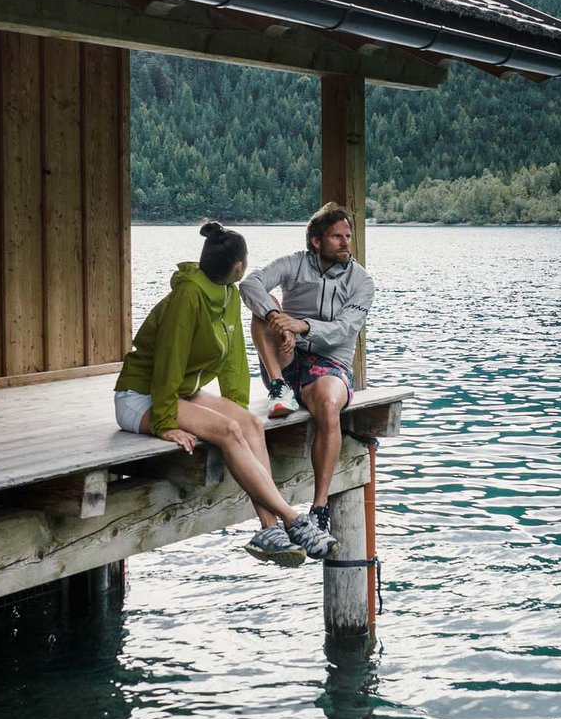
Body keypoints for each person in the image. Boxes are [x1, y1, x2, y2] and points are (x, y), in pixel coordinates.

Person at [113, 222, 337, 566]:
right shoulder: (188, 296)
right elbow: (168, 362)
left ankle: (268, 529)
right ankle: (293, 519)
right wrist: (163, 423)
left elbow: (233, 362)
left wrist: (238, 408)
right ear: (239, 267)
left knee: (248, 425)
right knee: (228, 432)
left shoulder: (230, 295)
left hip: (183, 392)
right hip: (140, 397)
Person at [241, 202, 374, 529]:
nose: (345, 243)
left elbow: (344, 330)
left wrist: (301, 325)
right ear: (316, 241)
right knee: (264, 308)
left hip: (331, 364)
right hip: (287, 358)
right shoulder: (294, 264)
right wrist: (277, 319)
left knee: (328, 404)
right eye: (336, 237)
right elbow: (249, 284)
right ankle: (279, 388)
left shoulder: (362, 282)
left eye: (348, 236)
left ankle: (319, 507)